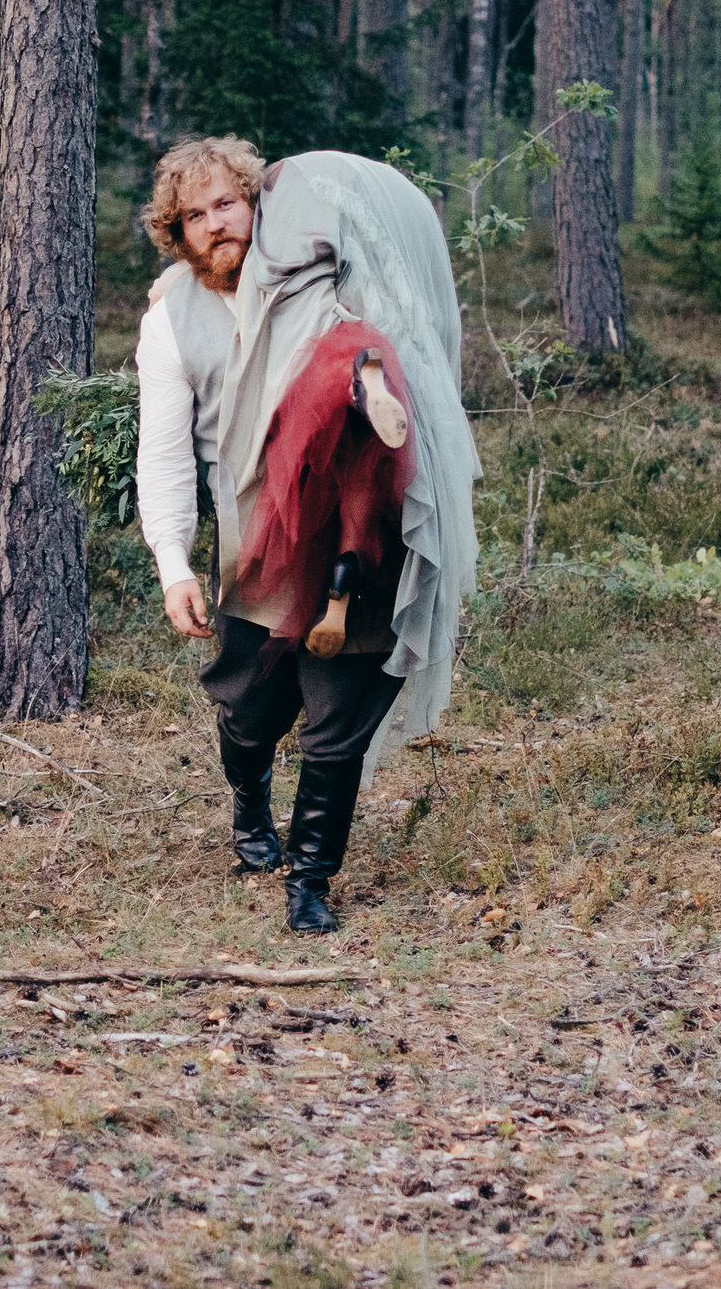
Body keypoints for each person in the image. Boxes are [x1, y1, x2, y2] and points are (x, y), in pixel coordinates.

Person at [135, 138, 478, 934]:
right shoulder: (173, 321)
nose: (218, 224)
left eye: (229, 203)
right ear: (177, 234)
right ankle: (249, 796)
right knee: (251, 705)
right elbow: (165, 453)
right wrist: (173, 564)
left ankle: (312, 878)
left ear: (256, 203)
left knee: (338, 717)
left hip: (356, 535)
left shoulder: (328, 281)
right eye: (196, 215)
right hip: (256, 542)